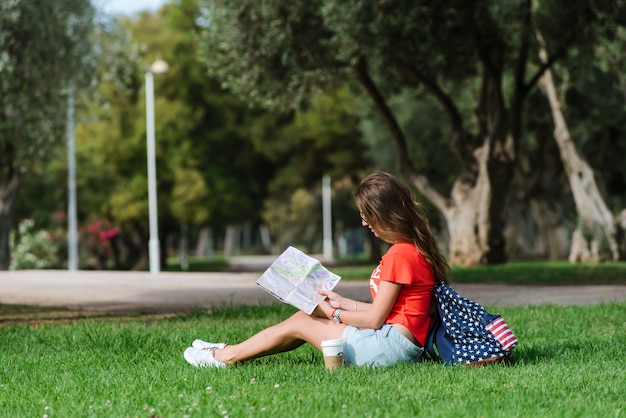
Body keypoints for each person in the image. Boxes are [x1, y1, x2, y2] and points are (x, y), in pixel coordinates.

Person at [183, 171, 450, 368]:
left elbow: (373, 321)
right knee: (303, 319)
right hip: (396, 343)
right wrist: (342, 302)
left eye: (366, 216)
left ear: (383, 214)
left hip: (388, 348)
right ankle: (231, 351)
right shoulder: (412, 248)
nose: (364, 223)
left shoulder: (400, 254)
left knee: (303, 320)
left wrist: (332, 313)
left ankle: (224, 357)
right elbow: (388, 311)